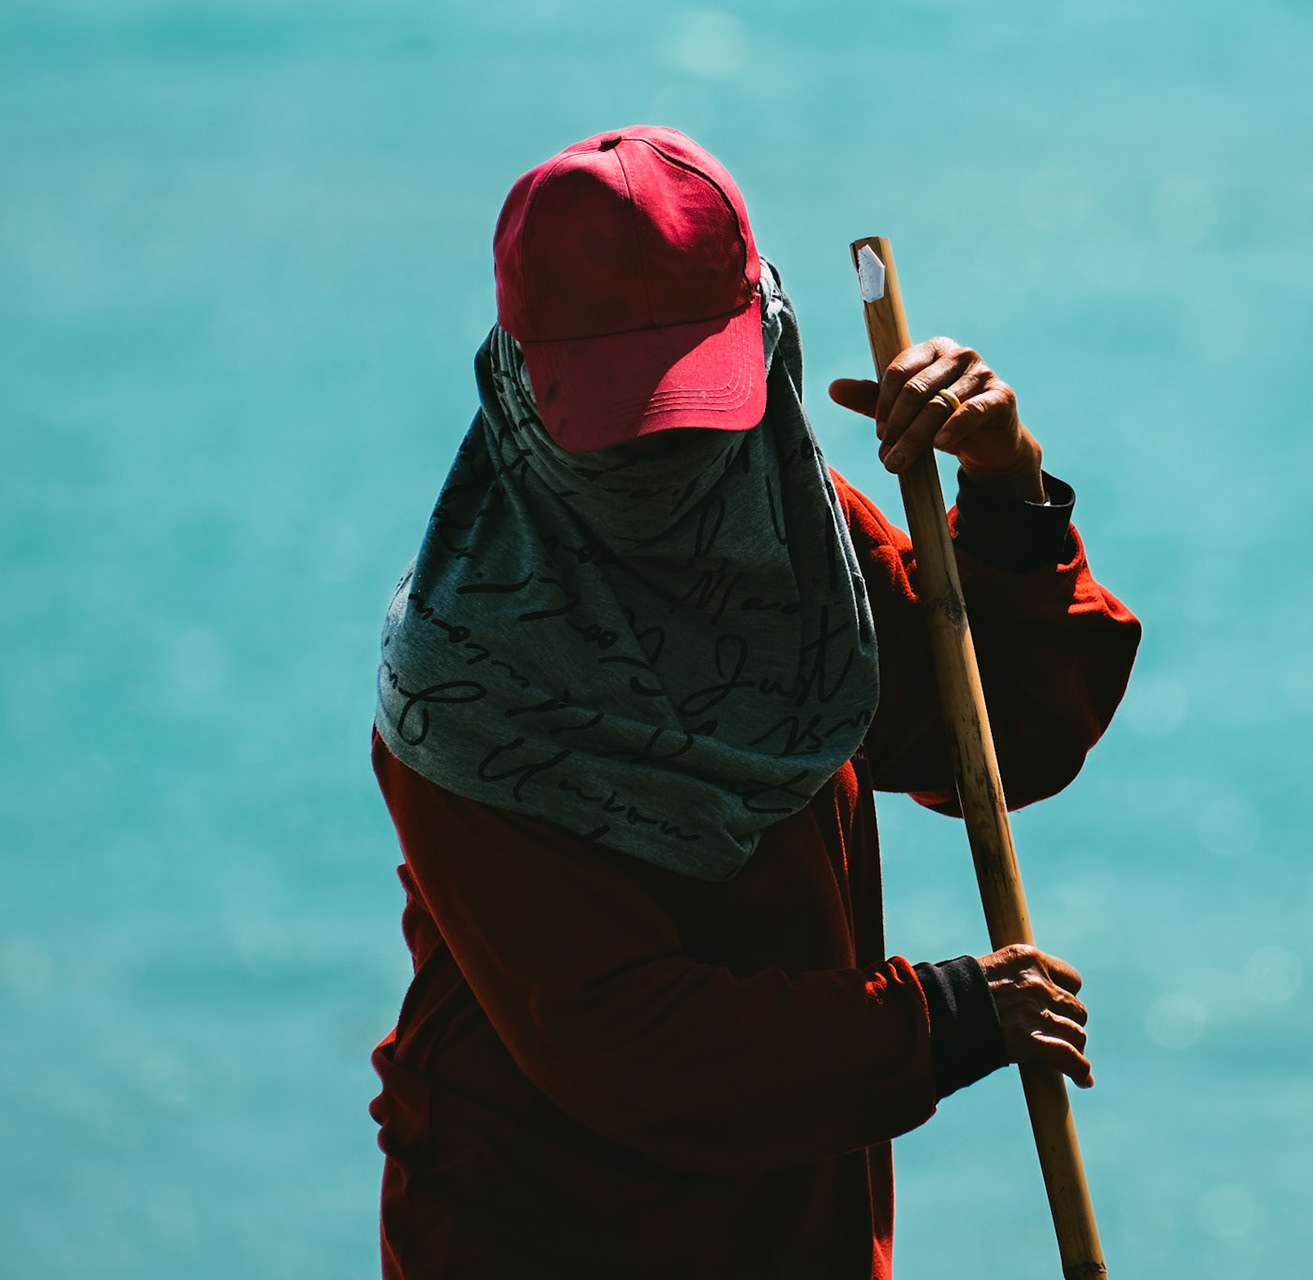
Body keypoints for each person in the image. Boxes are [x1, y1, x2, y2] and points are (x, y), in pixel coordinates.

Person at [367, 126, 1139, 1280]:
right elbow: (625, 1039)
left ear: (767, 339)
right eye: (617, 426)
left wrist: (1005, 478)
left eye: (689, 414)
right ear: (516, 382)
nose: (661, 470)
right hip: (533, 1230)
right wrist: (940, 1019)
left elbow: (1004, 742)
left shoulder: (784, 538)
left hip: (797, 1224)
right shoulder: (466, 675)